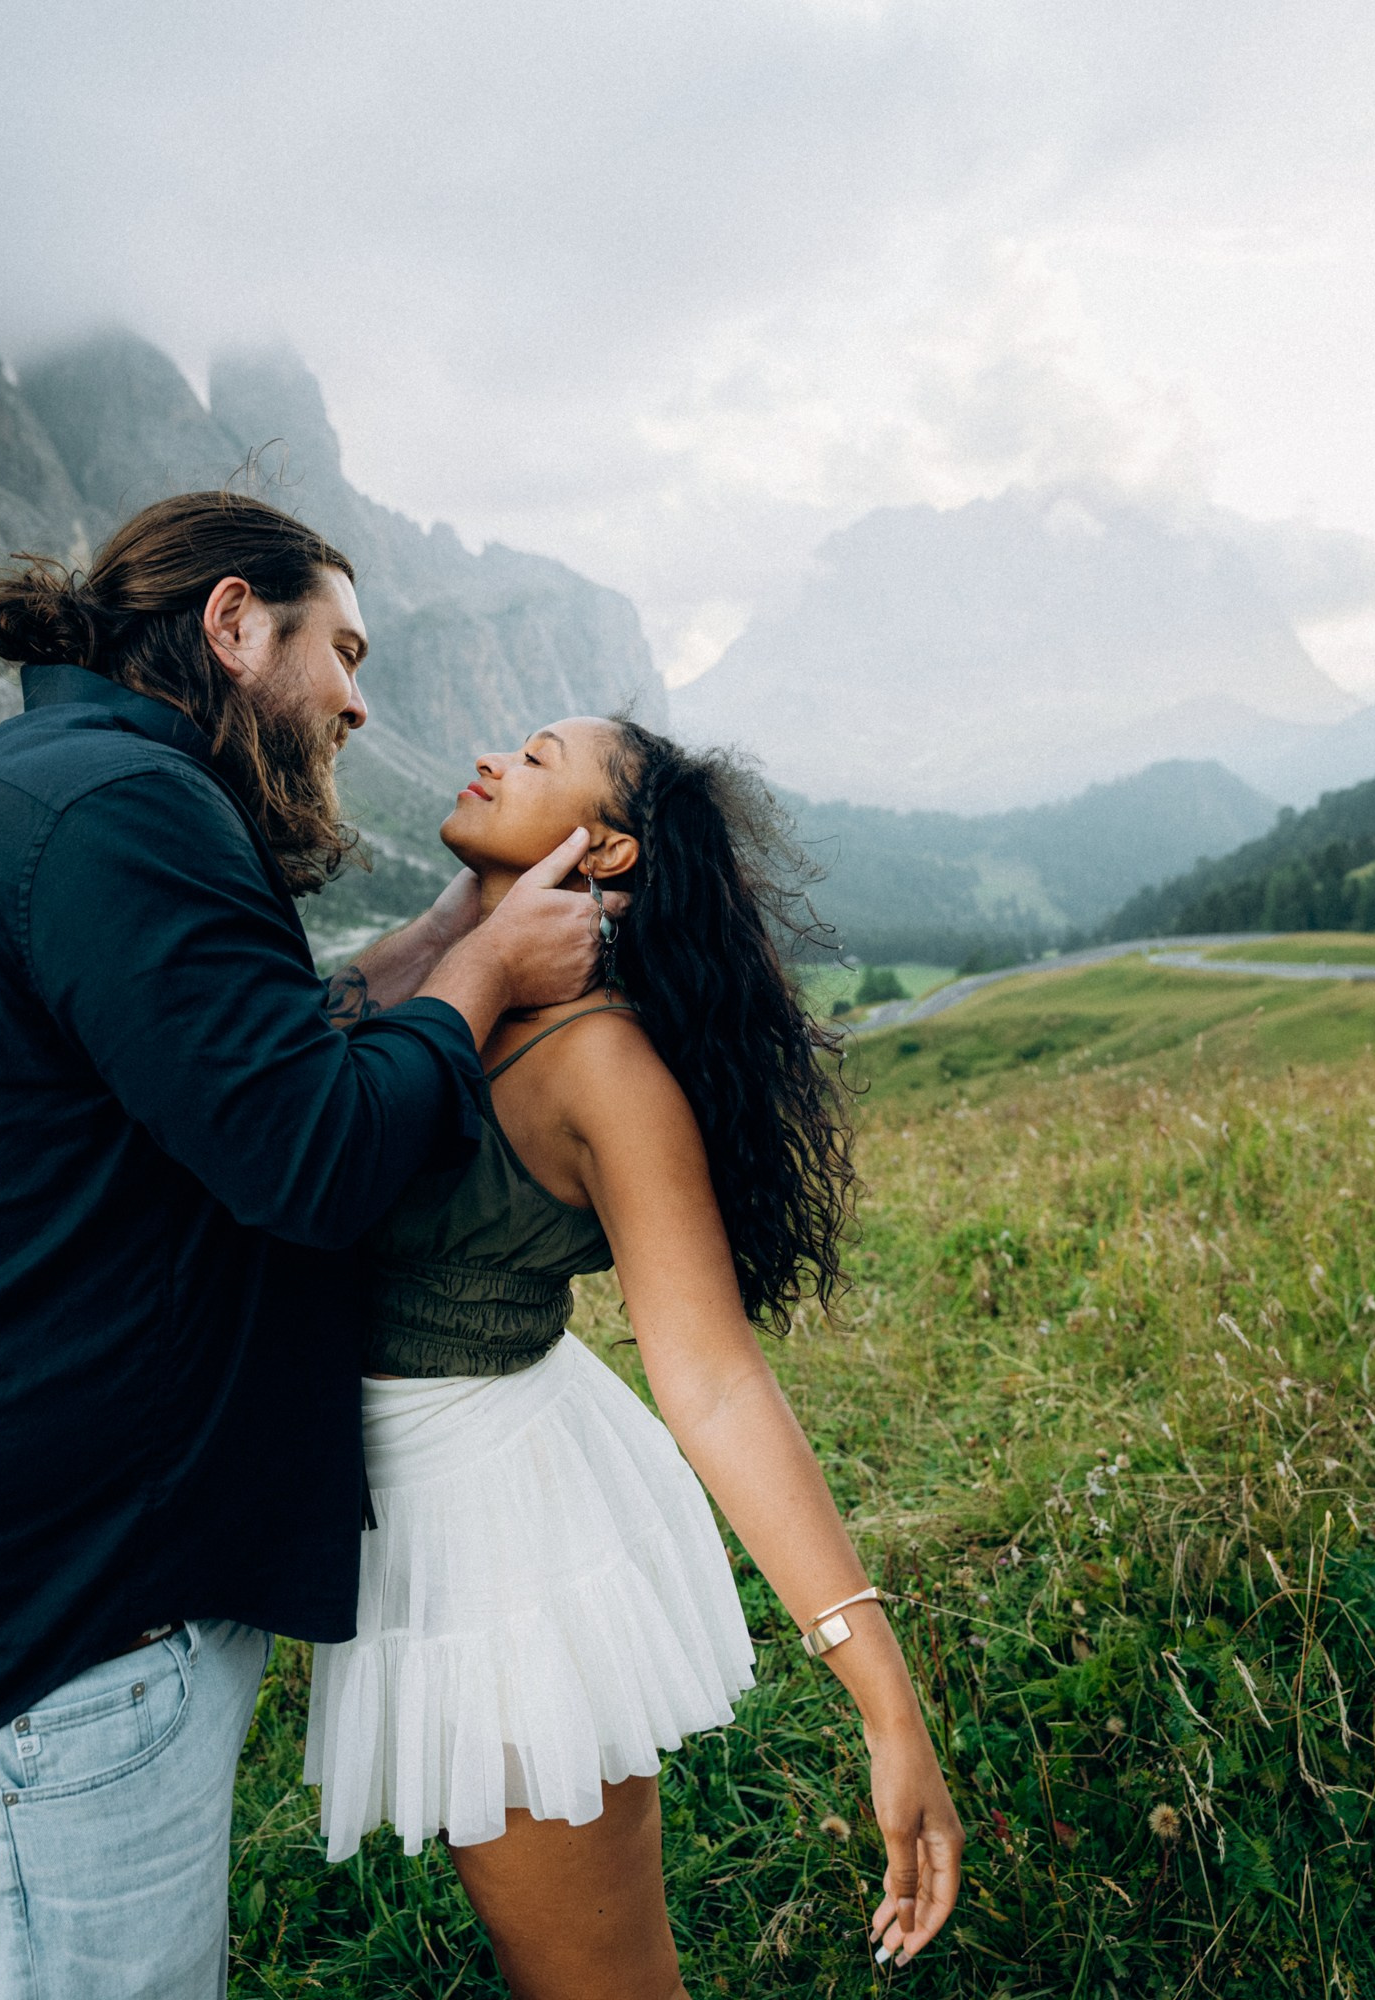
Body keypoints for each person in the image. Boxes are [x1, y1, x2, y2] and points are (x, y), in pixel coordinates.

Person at [0, 493, 612, 2000]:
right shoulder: (126, 813)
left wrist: (434, 941)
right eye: (341, 652)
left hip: (64, 1601)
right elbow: (310, 1157)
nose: (362, 701)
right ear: (235, 625)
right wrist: (489, 972)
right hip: (77, 1636)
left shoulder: (73, 782)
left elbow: (234, 1060)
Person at [305, 715, 964, 1998]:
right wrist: (476, 912)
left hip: (501, 1547)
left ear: (602, 843)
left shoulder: (602, 1063)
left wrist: (887, 1700)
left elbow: (714, 1379)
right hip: (411, 1521)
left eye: (541, 756)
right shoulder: (446, 982)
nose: (497, 755)